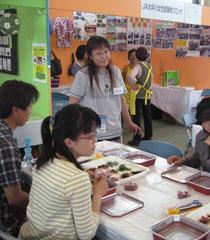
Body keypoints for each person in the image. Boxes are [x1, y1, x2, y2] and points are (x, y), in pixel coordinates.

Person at [19, 104, 108, 239]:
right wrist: (97, 194)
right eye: (90, 137)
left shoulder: (43, 161)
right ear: (69, 142)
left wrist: (81, 173)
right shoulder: (77, 178)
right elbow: (87, 234)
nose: (95, 142)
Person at [69, 36, 140, 142]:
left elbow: (121, 99)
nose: (103, 56)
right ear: (90, 56)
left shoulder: (115, 71)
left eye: (106, 52)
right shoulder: (83, 75)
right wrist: (78, 128)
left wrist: (129, 122)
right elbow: (73, 105)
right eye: (98, 53)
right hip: (92, 135)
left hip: (115, 131)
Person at [0, 80, 39, 237]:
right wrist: (47, 204)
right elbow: (15, 198)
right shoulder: (6, 144)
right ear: (15, 110)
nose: (30, 111)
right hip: (10, 221)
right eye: (29, 106)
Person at [127, 47, 153, 146]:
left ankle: (137, 138)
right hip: (147, 95)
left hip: (138, 95)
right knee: (147, 115)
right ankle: (148, 136)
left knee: (137, 117)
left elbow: (130, 76)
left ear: (137, 56)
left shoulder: (138, 66)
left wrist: (133, 84)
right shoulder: (149, 66)